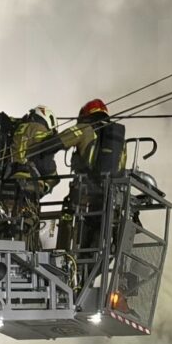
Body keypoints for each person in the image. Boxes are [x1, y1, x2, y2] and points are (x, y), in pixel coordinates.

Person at [0, 105, 63, 247]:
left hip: (5, 186)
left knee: (6, 226)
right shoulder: (40, 130)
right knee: (26, 232)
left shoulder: (17, 128)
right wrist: (52, 180)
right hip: (26, 190)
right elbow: (45, 163)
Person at [56, 99, 126, 253]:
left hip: (83, 198)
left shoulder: (85, 129)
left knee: (69, 216)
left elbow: (57, 142)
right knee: (97, 249)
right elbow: (122, 168)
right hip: (108, 202)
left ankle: (62, 256)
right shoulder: (119, 140)